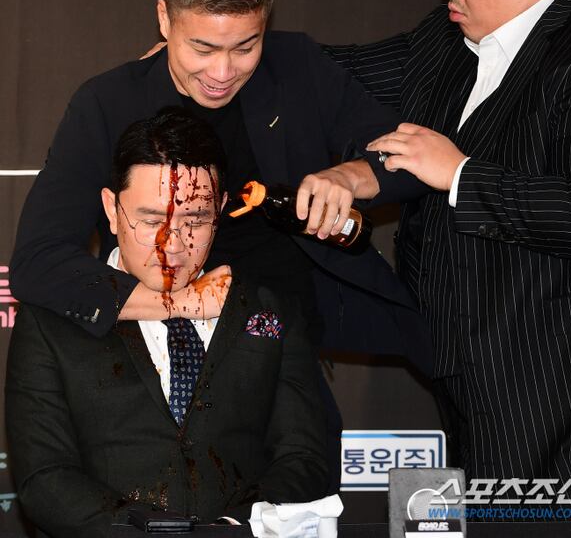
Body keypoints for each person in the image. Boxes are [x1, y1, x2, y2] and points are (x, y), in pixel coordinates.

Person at [9, 0, 432, 490]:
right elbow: (38, 261)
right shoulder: (108, 103)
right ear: (165, 19)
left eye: (245, 47)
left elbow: (410, 159)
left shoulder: (296, 67)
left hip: (278, 346)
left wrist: (349, 176)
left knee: (301, 499)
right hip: (148, 357)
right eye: (202, 49)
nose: (223, 71)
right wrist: (184, 304)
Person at [325, 0, 571, 520]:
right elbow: (346, 73)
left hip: (562, 405)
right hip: (459, 383)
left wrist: (458, 173)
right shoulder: (448, 37)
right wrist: (238, 59)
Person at [6, 107, 330, 538]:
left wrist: (229, 530)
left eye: (194, 220)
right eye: (151, 220)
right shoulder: (51, 320)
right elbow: (45, 478)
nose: (171, 244)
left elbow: (305, 457)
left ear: (221, 209)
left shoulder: (267, 310)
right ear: (111, 208)